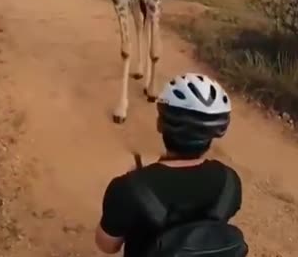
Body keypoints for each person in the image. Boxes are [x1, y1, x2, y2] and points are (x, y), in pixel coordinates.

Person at [95, 73, 248, 257]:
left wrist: (138, 179)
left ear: (160, 124)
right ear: (217, 131)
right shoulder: (230, 181)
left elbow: (107, 246)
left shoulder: (128, 188)